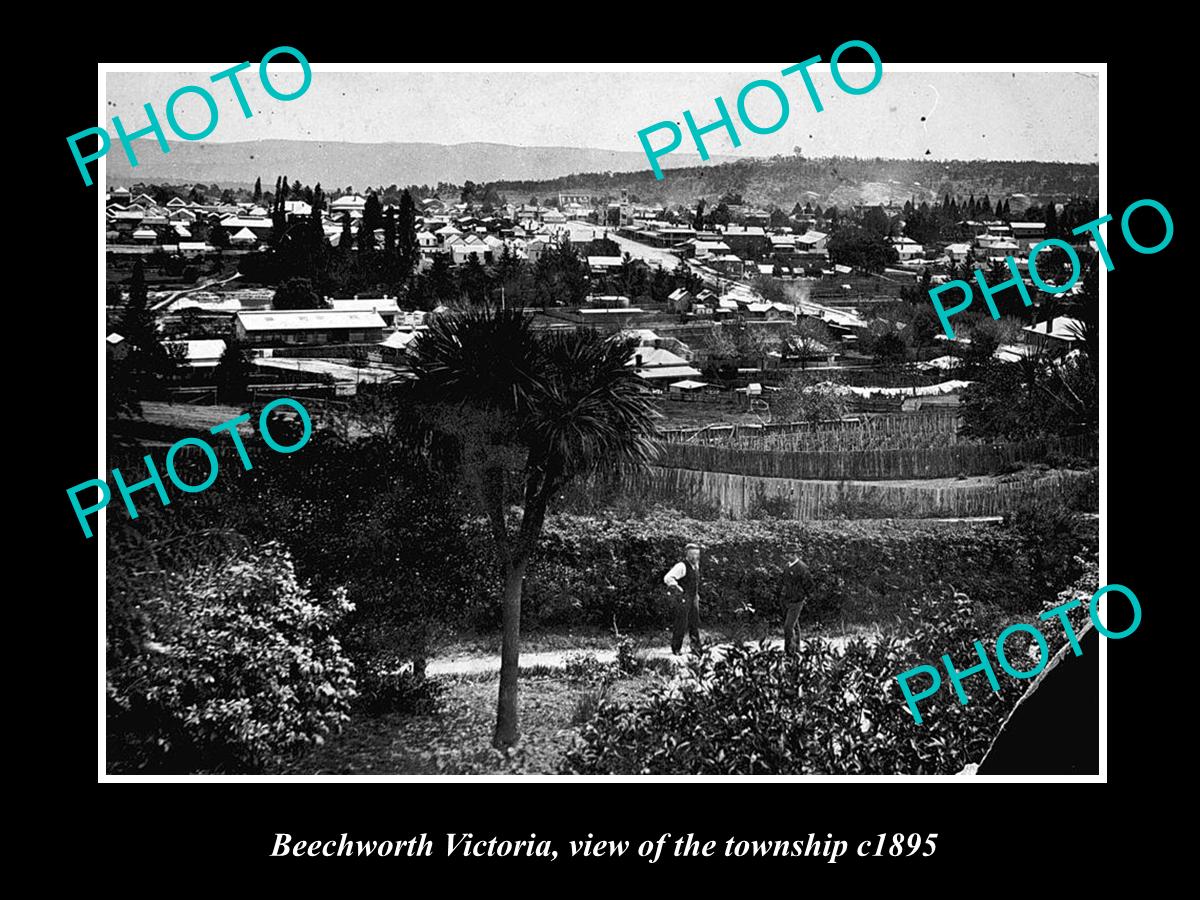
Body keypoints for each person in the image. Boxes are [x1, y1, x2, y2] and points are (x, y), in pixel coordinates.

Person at [663, 543, 703, 655]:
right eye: (692, 554)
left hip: (693, 598)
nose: (695, 557)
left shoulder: (696, 565)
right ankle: (676, 649)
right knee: (681, 623)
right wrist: (677, 587)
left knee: (694, 623)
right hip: (683, 598)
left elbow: (694, 583)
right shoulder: (681, 566)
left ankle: (696, 648)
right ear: (687, 554)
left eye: (697, 554)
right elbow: (668, 577)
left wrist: (696, 595)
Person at [777, 556, 816, 655]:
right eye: (786, 553)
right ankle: (796, 649)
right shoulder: (787, 566)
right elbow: (782, 582)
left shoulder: (802, 567)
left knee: (788, 626)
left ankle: (789, 651)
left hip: (797, 601)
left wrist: (803, 596)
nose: (787, 556)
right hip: (787, 600)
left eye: (790, 553)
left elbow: (809, 584)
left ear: (795, 554)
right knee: (794, 625)